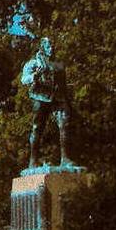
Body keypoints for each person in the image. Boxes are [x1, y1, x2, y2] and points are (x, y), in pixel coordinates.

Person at [20, 37, 72, 168]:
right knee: (37, 127)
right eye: (48, 46)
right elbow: (24, 79)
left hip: (58, 97)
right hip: (41, 97)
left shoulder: (59, 64)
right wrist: (34, 77)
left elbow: (63, 84)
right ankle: (33, 160)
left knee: (64, 124)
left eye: (52, 46)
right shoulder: (34, 63)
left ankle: (65, 158)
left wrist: (66, 99)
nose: (51, 48)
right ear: (43, 47)